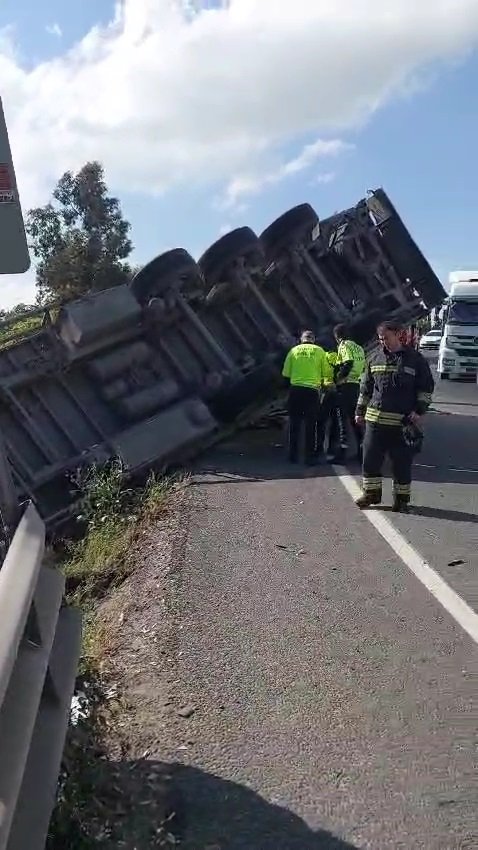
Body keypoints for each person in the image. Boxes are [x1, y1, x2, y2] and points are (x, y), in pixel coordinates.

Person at [354, 320, 435, 513]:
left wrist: (419, 410)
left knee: (401, 464)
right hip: (375, 422)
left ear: (398, 334)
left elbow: (426, 389)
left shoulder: (415, 360)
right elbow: (365, 389)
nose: (383, 342)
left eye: (386, 338)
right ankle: (371, 494)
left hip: (402, 423)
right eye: (381, 339)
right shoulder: (374, 358)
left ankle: (401, 500)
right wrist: (359, 411)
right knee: (370, 460)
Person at [281, 330, 326, 465]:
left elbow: (286, 374)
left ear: (301, 339)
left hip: (296, 390)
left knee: (294, 424)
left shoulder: (293, 351)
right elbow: (326, 372)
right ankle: (309, 457)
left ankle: (292, 456)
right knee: (310, 425)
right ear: (313, 340)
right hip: (312, 391)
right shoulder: (319, 351)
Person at [332, 324, 366, 463]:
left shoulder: (344, 345)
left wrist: (338, 379)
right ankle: (361, 452)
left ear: (337, 336)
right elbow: (362, 367)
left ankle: (342, 454)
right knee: (354, 420)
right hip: (355, 385)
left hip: (345, 386)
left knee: (342, 421)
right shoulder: (359, 348)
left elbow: (348, 363)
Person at [316, 350, 339, 460]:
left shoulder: (322, 357)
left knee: (321, 421)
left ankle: (319, 448)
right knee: (335, 422)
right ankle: (332, 449)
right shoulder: (339, 357)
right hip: (337, 390)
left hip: (325, 391)